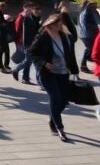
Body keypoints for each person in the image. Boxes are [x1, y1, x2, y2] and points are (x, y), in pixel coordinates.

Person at [29, 12, 78, 142]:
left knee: (63, 101)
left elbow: (70, 53)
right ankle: (59, 128)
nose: (60, 25)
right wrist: (44, 63)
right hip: (48, 74)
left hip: (63, 73)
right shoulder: (43, 36)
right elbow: (32, 52)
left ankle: (53, 118)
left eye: (60, 23)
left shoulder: (63, 36)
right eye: (57, 23)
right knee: (55, 98)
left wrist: (74, 70)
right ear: (50, 24)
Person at [11, 2, 41, 85]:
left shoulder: (32, 17)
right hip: (26, 42)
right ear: (25, 8)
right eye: (30, 8)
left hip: (31, 42)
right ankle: (16, 70)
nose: (31, 10)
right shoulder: (24, 17)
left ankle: (25, 77)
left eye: (32, 8)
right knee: (28, 60)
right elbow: (18, 30)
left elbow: (36, 29)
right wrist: (21, 42)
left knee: (29, 61)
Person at [0, 2, 13, 73]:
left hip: (2, 35)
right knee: (2, 50)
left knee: (6, 50)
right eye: (4, 7)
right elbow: (0, 24)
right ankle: (1, 67)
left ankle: (6, 65)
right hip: (0, 35)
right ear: (1, 7)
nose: (5, 9)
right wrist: (8, 22)